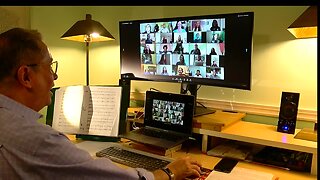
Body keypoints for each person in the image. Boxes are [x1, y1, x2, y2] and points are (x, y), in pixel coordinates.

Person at [0, 28, 203, 179]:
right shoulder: (38, 141)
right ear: (26, 76)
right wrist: (171, 171)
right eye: (49, 67)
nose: (54, 77)